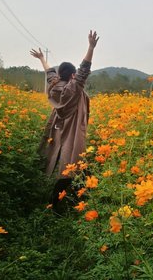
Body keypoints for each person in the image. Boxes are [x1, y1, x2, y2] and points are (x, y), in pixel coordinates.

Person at [30, 30, 99, 210]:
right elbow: (84, 69)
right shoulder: (73, 89)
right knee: (71, 161)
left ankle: (81, 194)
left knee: (70, 159)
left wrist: (41, 58)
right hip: (72, 129)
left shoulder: (55, 84)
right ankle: (55, 203)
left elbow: (49, 72)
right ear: (72, 75)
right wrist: (91, 47)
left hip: (58, 127)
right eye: (75, 74)